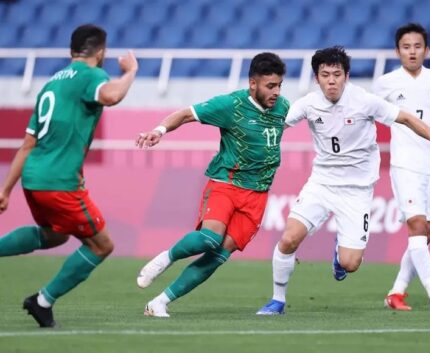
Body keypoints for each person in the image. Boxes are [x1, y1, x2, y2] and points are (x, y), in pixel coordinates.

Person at [256, 46, 430, 315]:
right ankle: (278, 300)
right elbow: (273, 128)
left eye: (337, 74)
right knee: (288, 239)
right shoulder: (307, 104)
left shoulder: (364, 101)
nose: (331, 81)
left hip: (356, 191)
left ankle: (340, 254)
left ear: (347, 75)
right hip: (321, 184)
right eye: (325, 75)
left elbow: (406, 118)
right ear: (316, 78)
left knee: (350, 263)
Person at [0, 24, 137, 327]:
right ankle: (42, 301)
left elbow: (27, 144)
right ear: (101, 53)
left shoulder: (51, 84)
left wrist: (6, 189)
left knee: (55, 234)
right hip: (59, 182)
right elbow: (112, 95)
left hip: (33, 178)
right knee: (102, 245)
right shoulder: (90, 76)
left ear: (70, 51)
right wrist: (129, 72)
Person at [135, 52, 289, 318]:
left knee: (219, 255)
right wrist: (158, 131)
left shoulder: (284, 107)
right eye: (270, 86)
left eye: (279, 85)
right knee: (209, 238)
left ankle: (159, 302)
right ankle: (165, 258)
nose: (276, 92)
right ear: (253, 84)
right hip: (226, 183)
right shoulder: (230, 105)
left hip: (258, 195)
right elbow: (185, 114)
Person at [372, 23, 430, 311]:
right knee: (417, 226)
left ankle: (396, 292)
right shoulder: (386, 83)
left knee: (427, 231)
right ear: (397, 50)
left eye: (417, 46)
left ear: (427, 50)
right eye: (406, 47)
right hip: (405, 164)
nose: (412, 52)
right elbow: (368, 112)